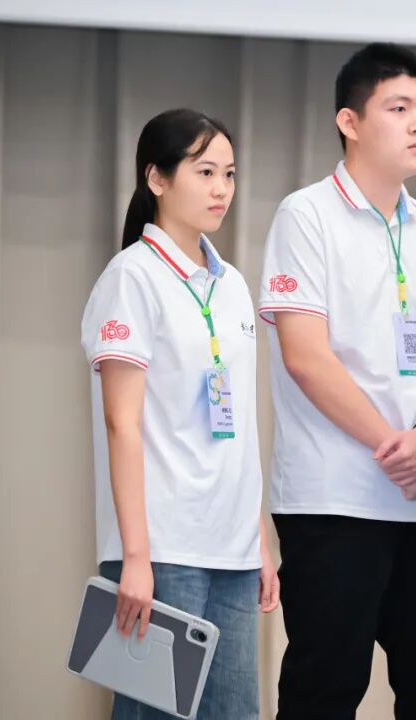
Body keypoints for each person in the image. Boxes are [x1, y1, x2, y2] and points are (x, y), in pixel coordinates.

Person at [257, 43, 416, 719]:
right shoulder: (306, 215)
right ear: (349, 121)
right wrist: (395, 449)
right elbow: (306, 357)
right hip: (333, 498)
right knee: (325, 688)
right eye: (398, 108)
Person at [80, 108, 279, 719]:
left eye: (229, 173)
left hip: (232, 549)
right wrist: (136, 558)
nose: (222, 189)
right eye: (204, 172)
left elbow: (237, 429)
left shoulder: (232, 284)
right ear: (157, 179)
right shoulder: (132, 278)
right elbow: (122, 423)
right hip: (164, 548)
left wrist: (258, 538)